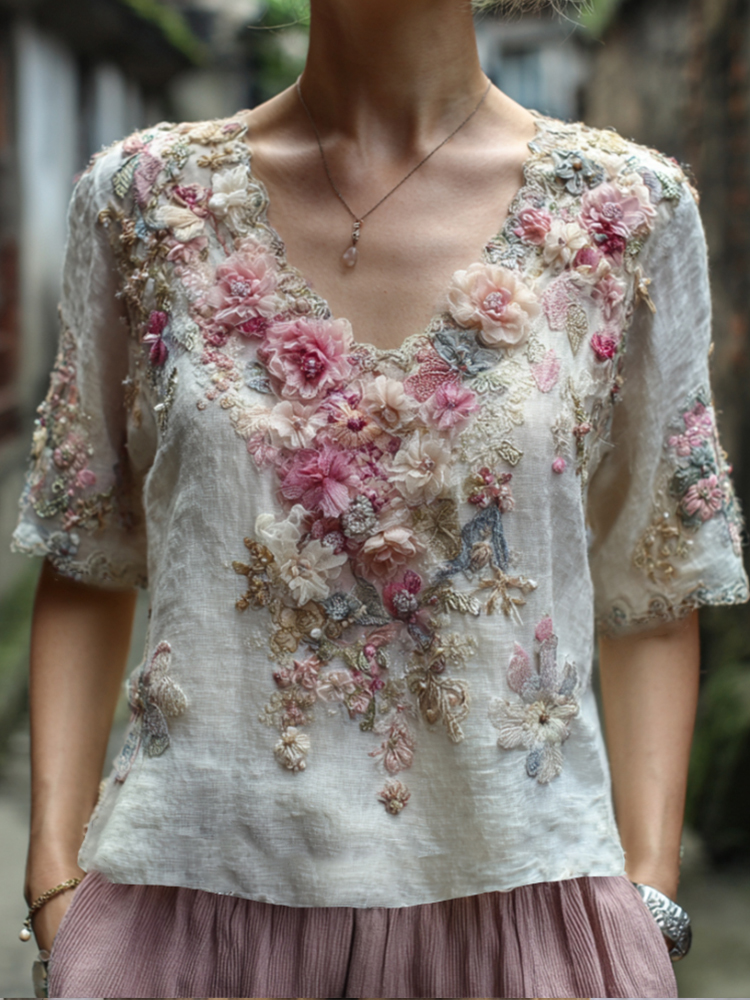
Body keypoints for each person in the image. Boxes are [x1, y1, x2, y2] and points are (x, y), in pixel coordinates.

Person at [9, 0, 748, 996]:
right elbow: (86, 549)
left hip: (521, 923)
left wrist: (648, 897)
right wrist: (55, 881)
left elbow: (656, 580)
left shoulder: (630, 215)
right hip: (186, 919)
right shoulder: (142, 201)